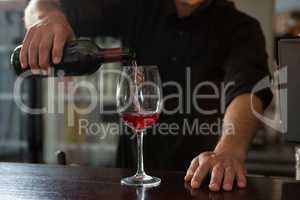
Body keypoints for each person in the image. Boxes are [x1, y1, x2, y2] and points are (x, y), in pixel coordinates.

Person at [20, 0, 273, 192]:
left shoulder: (241, 28)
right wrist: (47, 18)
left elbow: (247, 89)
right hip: (131, 186)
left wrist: (229, 150)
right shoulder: (136, 7)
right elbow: (39, 4)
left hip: (200, 185)